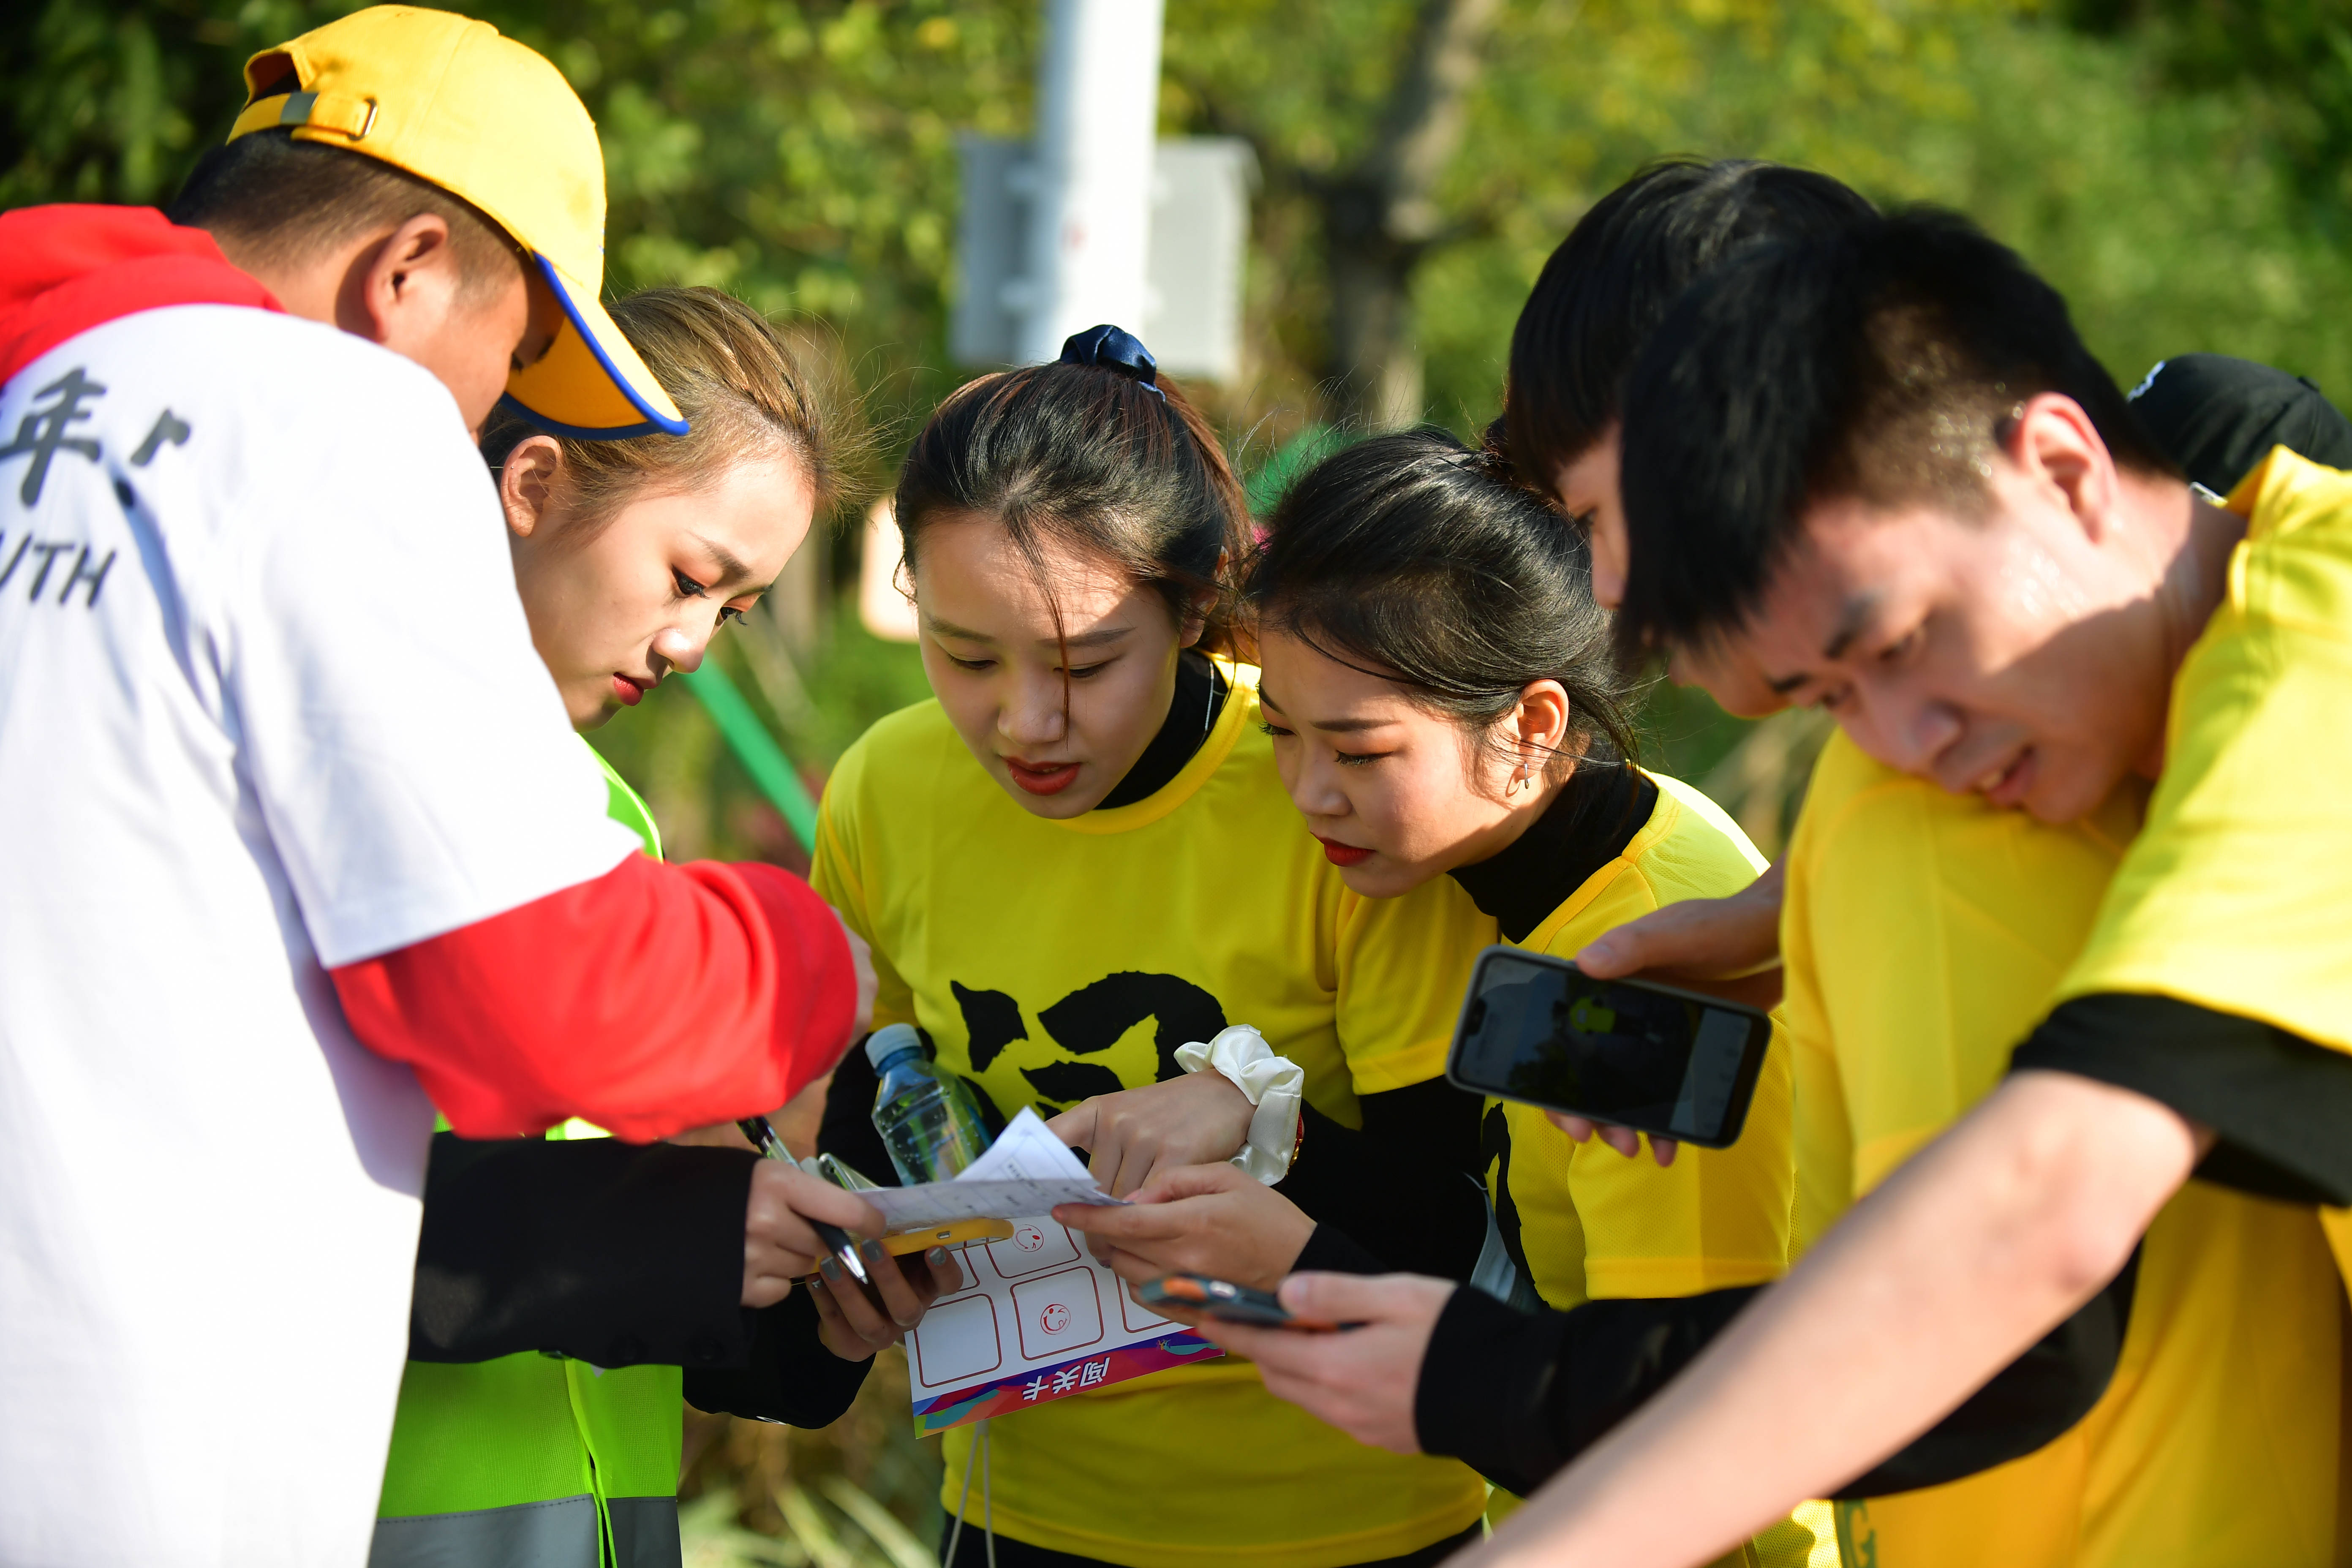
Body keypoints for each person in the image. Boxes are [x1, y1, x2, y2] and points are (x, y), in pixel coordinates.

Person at [0, 11, 867, 1563]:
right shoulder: (325, 412)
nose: (486, 417)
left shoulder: (47, 404)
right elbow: (529, 992)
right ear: (405, 274)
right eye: (515, 355)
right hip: (147, 1459)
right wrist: (810, 967)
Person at [1461, 207, 2352, 1567]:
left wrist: (1490, 1413)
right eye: (1836, 700)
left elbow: (2040, 1217)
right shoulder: (2161, 698)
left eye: (1903, 641)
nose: (1903, 745)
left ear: (2061, 466)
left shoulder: (2318, 650)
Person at [1060, 427, 1833, 1565]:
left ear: (1529, 727)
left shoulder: (1643, 967)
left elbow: (1670, 1428)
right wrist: (1277, 1132)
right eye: (1280, 734)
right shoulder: (1562, 855)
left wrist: (1304, 1266)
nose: (1308, 794)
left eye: (1362, 755)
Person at [806, 327, 1500, 1568]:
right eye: (965, 657)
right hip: (1020, 1508)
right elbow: (873, 1092)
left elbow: (1447, 1221)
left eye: (1087, 664)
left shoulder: (1328, 796)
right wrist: (858, 1257)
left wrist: (1252, 1117)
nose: (1025, 721)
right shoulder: (885, 790)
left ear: (1194, 608)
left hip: (1349, 1524)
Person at [373, 285, 956, 1568]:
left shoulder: (603, 814)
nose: (693, 643)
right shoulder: (340, 784)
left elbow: (572, 1236)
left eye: (737, 611)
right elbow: (285, 1223)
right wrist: (678, 1230)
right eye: (692, 578)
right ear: (531, 482)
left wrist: (796, 1315)